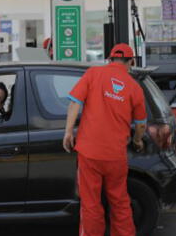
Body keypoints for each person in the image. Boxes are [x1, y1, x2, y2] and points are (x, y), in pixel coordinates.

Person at [63, 43, 147, 236]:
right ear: (131, 62)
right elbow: (141, 124)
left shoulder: (93, 74)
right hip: (115, 155)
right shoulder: (134, 87)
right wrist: (137, 141)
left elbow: (75, 102)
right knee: (119, 201)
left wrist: (68, 132)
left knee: (91, 203)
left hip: (89, 153)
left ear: (109, 59)